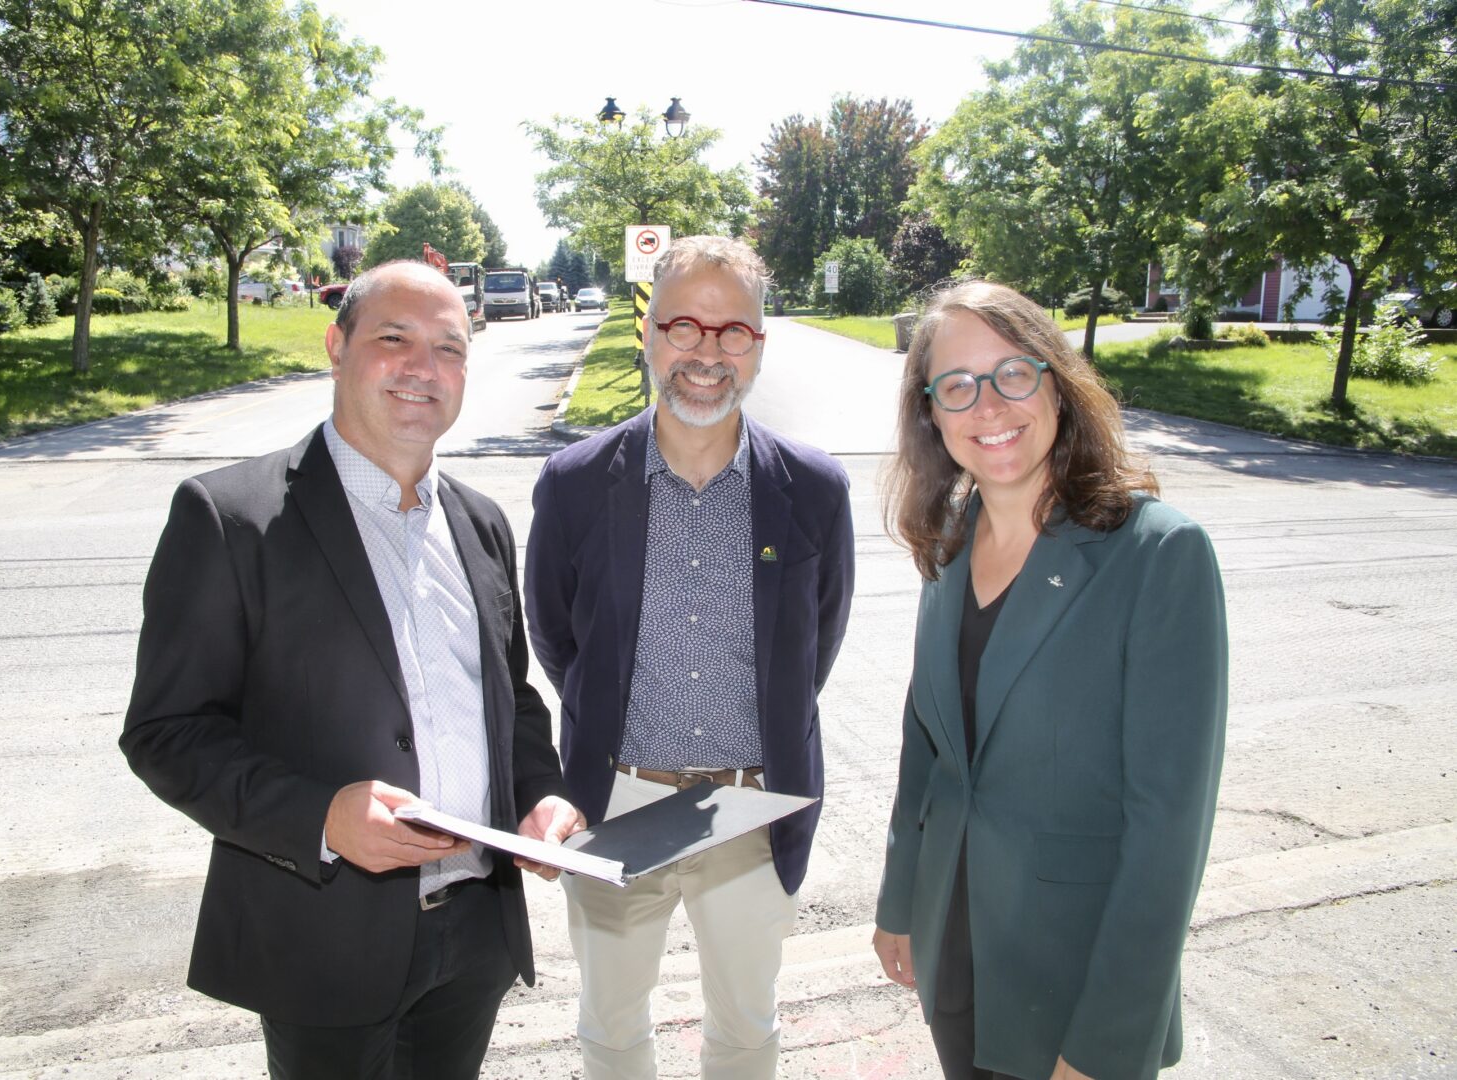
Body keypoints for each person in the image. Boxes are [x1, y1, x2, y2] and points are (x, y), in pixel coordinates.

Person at [120, 260, 583, 1080]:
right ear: (336, 347)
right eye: (393, 339)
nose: (423, 368)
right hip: (324, 935)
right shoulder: (230, 517)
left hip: (477, 929)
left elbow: (509, 700)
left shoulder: (480, 522)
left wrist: (538, 794)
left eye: (449, 348)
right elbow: (167, 732)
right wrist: (320, 817)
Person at [871, 281, 1227, 1080]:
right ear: (931, 412)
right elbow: (925, 750)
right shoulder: (951, 544)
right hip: (955, 950)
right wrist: (901, 903)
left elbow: (1169, 832)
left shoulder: (1156, 555)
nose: (988, 405)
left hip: (1071, 982)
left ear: (1057, 384)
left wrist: (1104, 1043)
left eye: (1013, 374)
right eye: (956, 385)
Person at [523, 235, 855, 1080]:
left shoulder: (814, 490)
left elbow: (816, 644)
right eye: (684, 326)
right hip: (617, 800)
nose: (707, 352)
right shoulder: (574, 481)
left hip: (751, 805)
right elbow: (557, 635)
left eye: (732, 331)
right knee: (610, 1025)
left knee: (746, 1031)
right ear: (648, 334)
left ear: (759, 345)